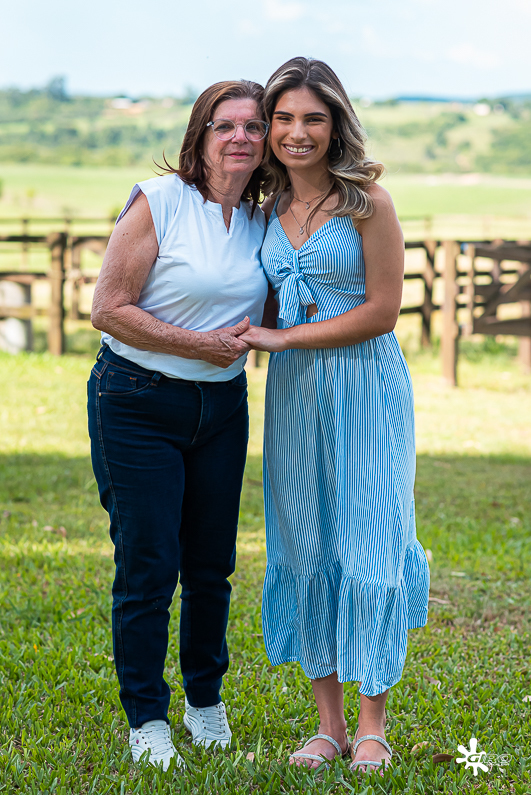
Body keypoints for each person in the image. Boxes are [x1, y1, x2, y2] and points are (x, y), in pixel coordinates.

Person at [239, 57, 430, 775]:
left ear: (335, 124)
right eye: (283, 118)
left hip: (366, 388)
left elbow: (382, 311)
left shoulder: (368, 203)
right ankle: (328, 726)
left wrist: (283, 337)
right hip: (294, 396)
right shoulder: (263, 211)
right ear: (268, 127)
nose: (297, 131)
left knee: (371, 544)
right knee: (305, 546)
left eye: (312, 118)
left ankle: (373, 727)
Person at [87, 79, 270, 772]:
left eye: (254, 126)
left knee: (211, 565)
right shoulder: (159, 200)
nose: (241, 137)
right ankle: (147, 716)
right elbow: (108, 308)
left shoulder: (261, 218)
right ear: (201, 134)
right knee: (149, 564)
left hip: (222, 408)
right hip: (137, 401)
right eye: (226, 125)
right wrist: (198, 344)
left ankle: (204, 700)